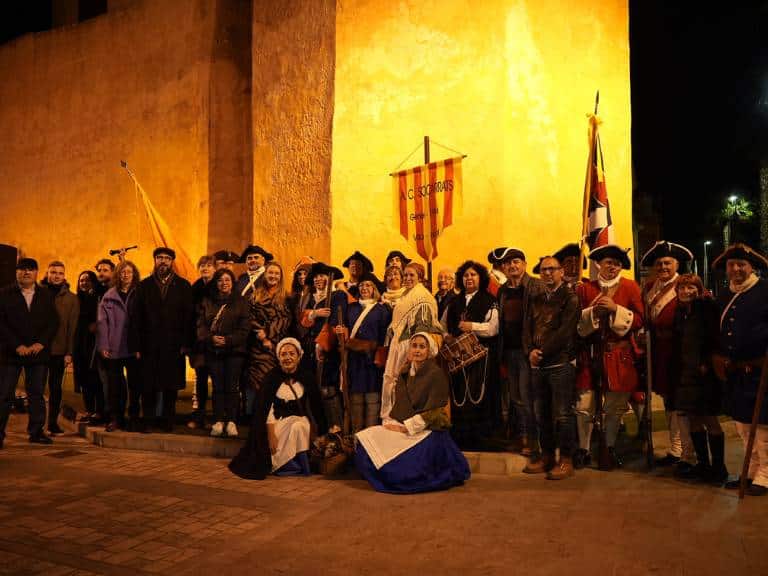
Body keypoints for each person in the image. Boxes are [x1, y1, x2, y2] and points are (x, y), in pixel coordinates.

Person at [355, 332, 470, 493]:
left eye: (422, 347)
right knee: (367, 437)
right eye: (414, 346)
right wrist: (393, 423)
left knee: (403, 465)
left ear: (429, 351)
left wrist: (406, 427)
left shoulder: (435, 374)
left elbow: (436, 411)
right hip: (405, 425)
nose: (417, 350)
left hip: (427, 429)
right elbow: (400, 406)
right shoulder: (405, 372)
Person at [575, 245, 644, 469]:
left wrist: (616, 309)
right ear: (599, 265)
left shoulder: (631, 287)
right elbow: (576, 320)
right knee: (585, 405)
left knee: (614, 407)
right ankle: (584, 449)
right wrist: (593, 312)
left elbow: (641, 320)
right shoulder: (586, 289)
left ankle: (609, 447)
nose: (612, 267)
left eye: (616, 263)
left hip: (619, 355)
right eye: (608, 262)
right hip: (591, 354)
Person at [711, 244, 768, 496]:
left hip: (761, 369)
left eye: (741, 265)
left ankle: (766, 474)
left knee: (763, 426)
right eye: (731, 265)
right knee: (742, 426)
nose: (735, 269)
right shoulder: (724, 294)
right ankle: (750, 469)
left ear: (751, 267)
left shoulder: (765, 290)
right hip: (735, 371)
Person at [229, 338, 326, 480]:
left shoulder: (307, 377)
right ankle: (286, 466)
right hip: (277, 423)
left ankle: (300, 465)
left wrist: (322, 430)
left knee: (299, 426)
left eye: (292, 354)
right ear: (279, 357)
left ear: (299, 356)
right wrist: (271, 434)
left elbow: (317, 406)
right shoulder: (271, 378)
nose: (288, 357)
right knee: (284, 436)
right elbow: (265, 409)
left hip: (300, 422)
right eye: (284, 354)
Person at [522, 255, 580, 479]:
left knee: (563, 414)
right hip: (537, 365)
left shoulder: (570, 298)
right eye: (544, 270)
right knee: (542, 414)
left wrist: (542, 352)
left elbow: (565, 332)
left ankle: (566, 460)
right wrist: (529, 352)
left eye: (552, 269)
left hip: (559, 363)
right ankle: (547, 456)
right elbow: (526, 328)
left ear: (561, 272)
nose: (547, 273)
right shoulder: (536, 298)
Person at [641, 240, 695, 472]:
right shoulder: (650, 286)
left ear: (676, 264)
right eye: (660, 263)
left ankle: (686, 452)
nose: (663, 266)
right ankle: (675, 449)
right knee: (668, 402)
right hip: (659, 353)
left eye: (668, 263)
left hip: (679, 352)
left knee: (682, 404)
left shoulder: (685, 286)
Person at [671, 273, 728, 483]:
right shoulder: (680, 312)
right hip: (686, 372)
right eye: (682, 288)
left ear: (699, 288)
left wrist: (706, 362)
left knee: (709, 418)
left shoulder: (706, 307)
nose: (686, 291)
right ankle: (703, 465)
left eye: (690, 287)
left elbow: (715, 336)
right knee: (693, 418)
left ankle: (719, 467)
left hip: (705, 373)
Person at [132, 247, 194, 433]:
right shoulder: (144, 286)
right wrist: (136, 345)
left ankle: (168, 420)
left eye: (167, 258)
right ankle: (148, 420)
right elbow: (136, 318)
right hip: (149, 345)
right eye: (159, 258)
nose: (163, 261)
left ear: (172, 261)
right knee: (148, 385)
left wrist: (186, 343)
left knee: (170, 385)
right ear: (155, 260)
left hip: (173, 345)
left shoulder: (183, 286)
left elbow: (189, 317)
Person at [0, 258, 59, 446]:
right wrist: (17, 345)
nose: (26, 273)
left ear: (36, 273)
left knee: (36, 394)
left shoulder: (46, 295)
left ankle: (36, 431)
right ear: (16, 272)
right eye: (22, 269)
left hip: (37, 353)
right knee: (4, 394)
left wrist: (41, 343)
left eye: (31, 269)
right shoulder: (4, 294)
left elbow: (53, 322)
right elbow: (1, 324)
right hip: (10, 353)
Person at [442, 260, 499, 449]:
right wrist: (446, 336)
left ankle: (481, 440)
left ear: (480, 278)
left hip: (480, 360)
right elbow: (441, 326)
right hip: (458, 360)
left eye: (473, 274)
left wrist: (471, 326)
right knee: (459, 395)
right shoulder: (454, 302)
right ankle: (460, 439)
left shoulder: (489, 300)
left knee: (479, 396)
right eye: (466, 275)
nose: (469, 278)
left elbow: (493, 328)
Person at [381, 262, 443, 425]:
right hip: (399, 344)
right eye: (405, 275)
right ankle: (392, 420)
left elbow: (423, 328)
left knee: (405, 386)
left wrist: (413, 354)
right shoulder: (406, 295)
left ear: (420, 278)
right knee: (393, 382)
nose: (407, 278)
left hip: (409, 348)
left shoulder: (422, 297)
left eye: (411, 275)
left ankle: (403, 423)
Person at [197, 268, 250, 437]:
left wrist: (228, 340)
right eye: (220, 280)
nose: (224, 283)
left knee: (232, 387)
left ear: (232, 282)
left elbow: (245, 328)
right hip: (213, 350)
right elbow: (201, 325)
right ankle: (218, 421)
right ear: (216, 283)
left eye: (227, 280)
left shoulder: (241, 302)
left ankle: (232, 422)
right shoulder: (207, 301)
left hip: (235, 351)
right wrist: (210, 338)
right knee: (218, 387)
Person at [335, 272, 391, 432]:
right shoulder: (351, 308)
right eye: (362, 285)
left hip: (372, 363)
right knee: (355, 402)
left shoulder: (382, 310)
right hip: (354, 362)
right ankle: (356, 440)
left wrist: (373, 351)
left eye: (368, 285)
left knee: (373, 401)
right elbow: (344, 330)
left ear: (374, 289)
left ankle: (371, 441)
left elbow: (384, 338)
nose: (364, 288)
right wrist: (341, 331)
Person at [496, 247, 538, 452]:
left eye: (517, 262)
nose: (513, 266)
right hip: (509, 350)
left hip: (526, 350)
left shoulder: (534, 286)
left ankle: (532, 438)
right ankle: (521, 434)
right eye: (509, 263)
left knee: (527, 396)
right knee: (515, 397)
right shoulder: (503, 290)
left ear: (524, 264)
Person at [97, 260, 143, 432]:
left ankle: (133, 417)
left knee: (135, 385)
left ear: (134, 274)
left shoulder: (139, 294)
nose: (126, 275)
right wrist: (104, 345)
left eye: (129, 272)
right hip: (114, 347)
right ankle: (116, 418)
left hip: (133, 348)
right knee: (115, 386)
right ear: (118, 274)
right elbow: (102, 323)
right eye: (122, 272)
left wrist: (140, 347)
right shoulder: (109, 295)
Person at [300, 262, 345, 431]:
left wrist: (322, 344)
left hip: (328, 350)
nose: (319, 279)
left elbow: (335, 322)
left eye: (323, 276)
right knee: (313, 390)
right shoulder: (311, 299)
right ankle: (319, 431)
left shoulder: (337, 296)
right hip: (310, 350)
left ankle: (336, 431)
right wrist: (314, 313)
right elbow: (303, 321)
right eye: (317, 276)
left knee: (328, 390)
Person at [40, 261, 79, 435]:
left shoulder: (71, 298)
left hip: (59, 351)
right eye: (53, 272)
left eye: (60, 273)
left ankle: (52, 423)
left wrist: (69, 352)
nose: (56, 276)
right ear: (47, 274)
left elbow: (73, 327)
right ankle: (36, 425)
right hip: (39, 350)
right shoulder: (38, 294)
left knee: (56, 389)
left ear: (64, 276)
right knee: (37, 389)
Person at [248, 262, 292, 401]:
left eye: (277, 273)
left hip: (279, 346)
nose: (273, 276)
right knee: (258, 381)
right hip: (259, 347)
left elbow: (287, 320)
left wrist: (268, 333)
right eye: (270, 273)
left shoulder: (287, 297)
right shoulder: (255, 295)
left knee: (277, 381)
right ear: (265, 275)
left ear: (281, 277)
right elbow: (250, 317)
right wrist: (263, 337)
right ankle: (257, 415)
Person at [188, 255, 216, 429]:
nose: (205, 268)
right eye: (202, 266)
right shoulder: (195, 287)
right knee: (200, 381)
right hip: (198, 342)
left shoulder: (220, 286)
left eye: (208, 266)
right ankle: (199, 416)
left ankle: (218, 418)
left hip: (215, 342)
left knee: (218, 381)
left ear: (214, 268)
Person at [73, 270, 101, 423]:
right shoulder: (76, 299)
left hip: (92, 343)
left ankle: (98, 411)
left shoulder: (95, 298)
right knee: (83, 378)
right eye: (81, 280)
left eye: (87, 280)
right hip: (79, 343)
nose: (84, 283)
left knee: (94, 378)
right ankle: (89, 410)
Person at [287, 256, 316, 340]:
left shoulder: (316, 294)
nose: (302, 276)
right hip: (296, 336)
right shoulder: (293, 296)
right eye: (299, 274)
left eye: (305, 273)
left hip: (311, 336)